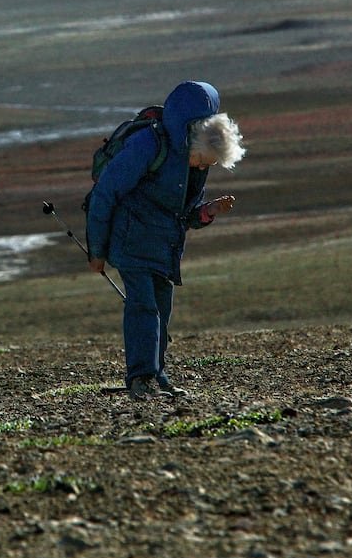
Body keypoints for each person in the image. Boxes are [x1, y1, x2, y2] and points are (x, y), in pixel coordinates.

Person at [85, 81, 245, 399]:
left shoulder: (193, 165)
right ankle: (140, 378)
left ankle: (156, 374)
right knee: (143, 307)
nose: (204, 167)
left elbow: (183, 215)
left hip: (162, 246)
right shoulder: (148, 146)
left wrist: (207, 211)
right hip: (129, 238)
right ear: (191, 139)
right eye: (203, 160)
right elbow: (104, 193)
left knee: (160, 309)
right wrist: (97, 250)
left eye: (210, 164)